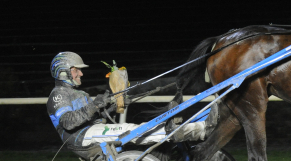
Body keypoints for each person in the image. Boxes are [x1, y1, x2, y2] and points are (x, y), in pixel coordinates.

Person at [47, 51, 214, 154]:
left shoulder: (80, 93)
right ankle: (195, 130)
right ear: (63, 72)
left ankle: (180, 131)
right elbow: (68, 123)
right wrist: (95, 104)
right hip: (80, 138)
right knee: (131, 131)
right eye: (77, 70)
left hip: (90, 130)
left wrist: (113, 105)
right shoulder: (58, 95)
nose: (81, 74)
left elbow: (94, 116)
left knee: (134, 129)